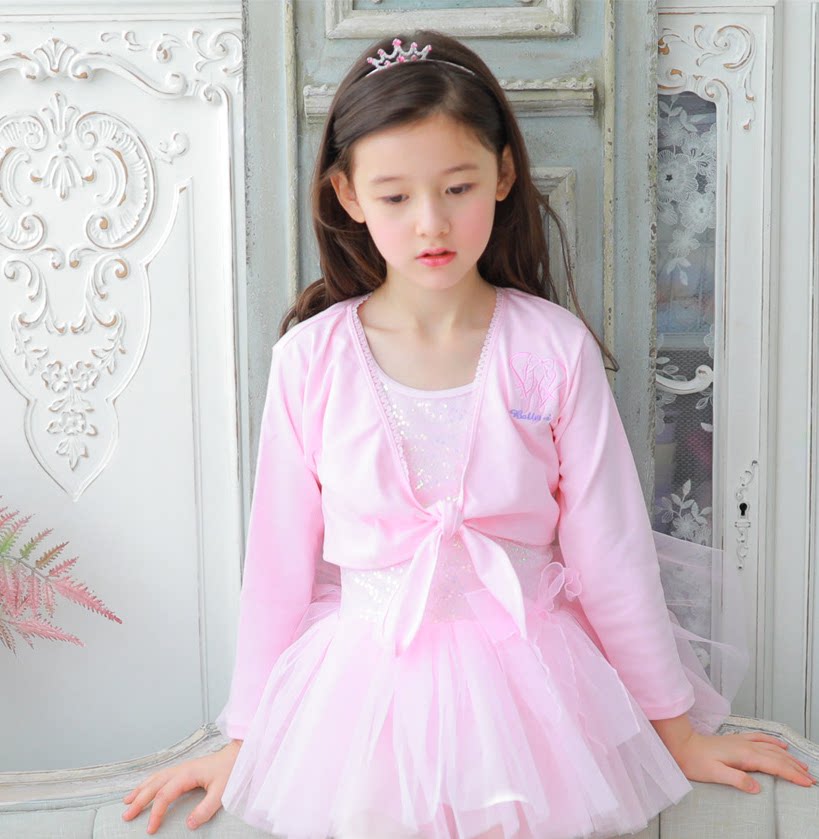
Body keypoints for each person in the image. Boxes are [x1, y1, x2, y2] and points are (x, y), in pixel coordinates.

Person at [122, 30, 815, 839]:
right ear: (347, 194)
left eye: (457, 187)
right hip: (362, 700)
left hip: (534, 694)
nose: (431, 223)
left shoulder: (550, 348)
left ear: (503, 176)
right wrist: (244, 740)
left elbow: (611, 555)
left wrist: (677, 731)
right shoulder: (312, 360)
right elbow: (278, 567)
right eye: (394, 197)